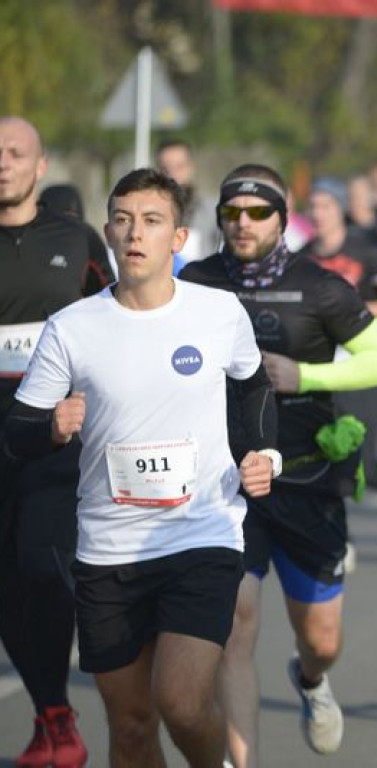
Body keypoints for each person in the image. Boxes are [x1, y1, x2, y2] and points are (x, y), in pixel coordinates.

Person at [5, 167, 280, 767]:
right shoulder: (73, 327)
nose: (136, 234)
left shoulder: (217, 312)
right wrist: (51, 428)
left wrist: (266, 454)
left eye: (152, 221)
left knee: (181, 704)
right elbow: (19, 430)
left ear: (178, 238)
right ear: (107, 231)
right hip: (108, 550)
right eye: (124, 221)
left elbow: (254, 386)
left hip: (201, 534)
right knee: (130, 728)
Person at [180, 164, 377, 765]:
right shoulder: (194, 283)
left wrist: (307, 375)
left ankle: (311, 680)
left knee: (321, 639)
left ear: (283, 218)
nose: (244, 223)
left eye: (258, 212)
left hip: (305, 478)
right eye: (233, 212)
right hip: (226, 481)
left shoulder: (320, 285)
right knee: (236, 623)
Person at [0, 116, 113, 768]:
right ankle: (53, 716)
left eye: (17, 153)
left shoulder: (75, 239)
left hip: (53, 434)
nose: (4, 162)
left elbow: (115, 319)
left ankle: (57, 720)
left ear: (40, 167)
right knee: (6, 581)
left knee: (44, 567)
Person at [298, 176, 377, 515]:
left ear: (340, 209)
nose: (318, 213)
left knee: (363, 458)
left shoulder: (365, 251)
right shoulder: (301, 260)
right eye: (313, 206)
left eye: (325, 205)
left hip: (363, 361)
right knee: (326, 450)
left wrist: (355, 314)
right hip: (321, 365)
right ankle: (340, 541)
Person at [155, 138, 219, 263]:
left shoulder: (212, 212)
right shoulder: (147, 212)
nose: (172, 175)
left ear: (191, 167)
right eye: (165, 169)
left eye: (179, 167)